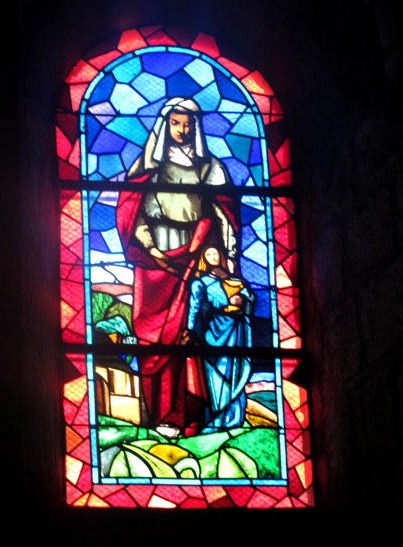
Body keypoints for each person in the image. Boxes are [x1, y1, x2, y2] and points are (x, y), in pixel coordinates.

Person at [115, 97, 238, 437]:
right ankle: (155, 415)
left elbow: (223, 215)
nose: (182, 130)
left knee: (187, 336)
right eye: (176, 123)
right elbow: (132, 212)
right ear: (165, 125)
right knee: (151, 339)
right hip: (152, 263)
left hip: (192, 260)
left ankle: (186, 416)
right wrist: (151, 247)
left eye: (188, 124)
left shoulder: (210, 169)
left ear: (196, 128)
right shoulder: (147, 168)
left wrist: (223, 257)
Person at [182, 246, 254, 432]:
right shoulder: (201, 283)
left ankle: (235, 420)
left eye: (215, 253)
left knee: (236, 374)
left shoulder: (235, 281)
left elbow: (250, 297)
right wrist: (189, 331)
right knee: (216, 377)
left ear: (221, 256)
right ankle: (215, 421)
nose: (213, 257)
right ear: (203, 259)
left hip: (237, 333)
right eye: (208, 255)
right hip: (214, 334)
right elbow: (194, 308)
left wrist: (243, 300)